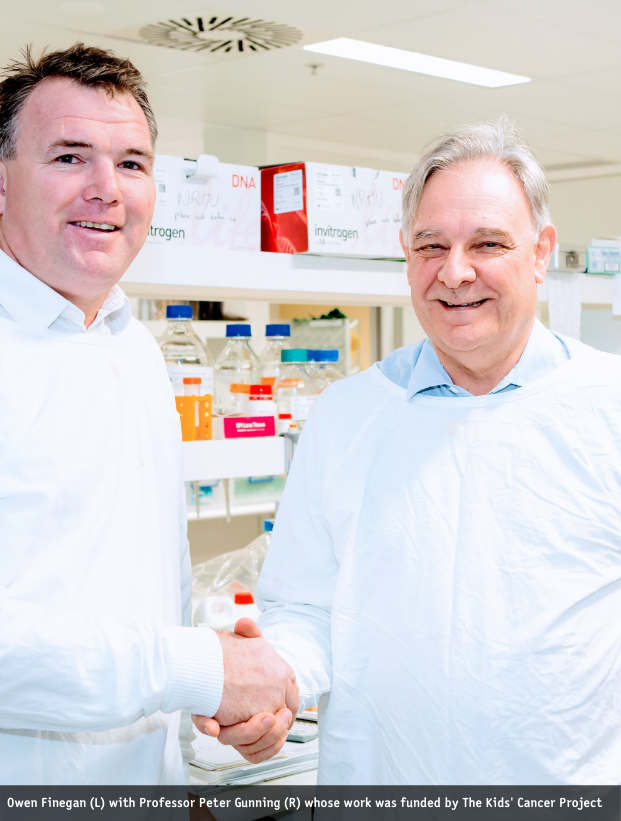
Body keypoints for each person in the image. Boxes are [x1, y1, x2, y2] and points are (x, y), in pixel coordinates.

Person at [196, 119, 621, 784]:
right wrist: (271, 686)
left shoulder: (605, 404)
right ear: (405, 252)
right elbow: (303, 607)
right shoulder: (347, 414)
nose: (455, 273)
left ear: (540, 251)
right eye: (430, 245)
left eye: (487, 243)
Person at [0, 43, 297, 786]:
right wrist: (198, 668)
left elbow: (139, 589)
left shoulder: (132, 349)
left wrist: (220, 711)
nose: (107, 189)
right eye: (70, 157)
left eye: (132, 162)